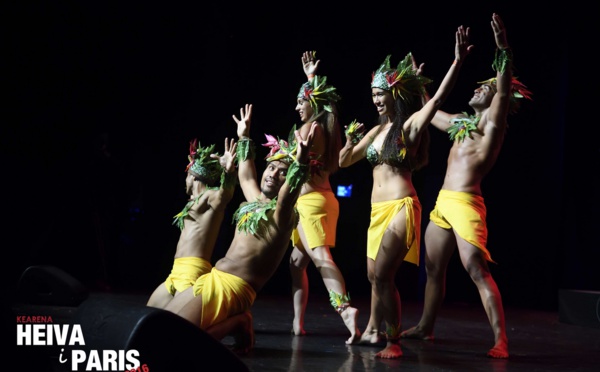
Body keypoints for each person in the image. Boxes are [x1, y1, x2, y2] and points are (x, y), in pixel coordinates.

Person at [400, 14, 532, 359]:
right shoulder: (461, 123)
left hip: (466, 203)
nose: (477, 89)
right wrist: (416, 82)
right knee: (433, 268)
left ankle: (501, 339)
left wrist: (502, 47)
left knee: (476, 268)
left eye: (482, 88)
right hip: (443, 201)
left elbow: (503, 90)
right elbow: (431, 109)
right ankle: (426, 327)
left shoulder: (492, 125)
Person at [339, 25, 472, 358]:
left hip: (401, 206)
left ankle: (392, 341)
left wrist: (456, 62)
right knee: (373, 276)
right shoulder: (375, 130)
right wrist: (350, 140)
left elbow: (438, 98)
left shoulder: (409, 126)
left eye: (381, 94)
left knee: (384, 274)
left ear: (394, 94)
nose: (375, 100)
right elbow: (344, 161)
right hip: (375, 212)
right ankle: (378, 331)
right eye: (372, 94)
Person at [164, 104, 316, 354]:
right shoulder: (255, 200)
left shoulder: (283, 214)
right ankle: (235, 323)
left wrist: (300, 161)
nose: (272, 174)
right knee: (163, 325)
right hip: (213, 278)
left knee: (182, 341)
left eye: (281, 174)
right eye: (271, 168)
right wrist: (244, 136)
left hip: (234, 289)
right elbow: (245, 176)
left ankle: (239, 322)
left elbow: (289, 194)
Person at [289, 51, 359, 344]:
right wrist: (311, 79)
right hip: (325, 199)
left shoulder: (308, 128)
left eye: (301, 102)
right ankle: (297, 322)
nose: (296, 108)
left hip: (309, 203)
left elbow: (296, 168)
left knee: (320, 257)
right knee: (296, 262)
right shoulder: (329, 130)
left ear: (312, 103)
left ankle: (345, 309)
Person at [147, 138, 238, 309]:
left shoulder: (209, 196)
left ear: (192, 176)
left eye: (186, 176)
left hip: (192, 271)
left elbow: (224, 197)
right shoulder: (192, 201)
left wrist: (229, 172)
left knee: (178, 325)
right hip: (175, 271)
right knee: (147, 315)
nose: (184, 181)